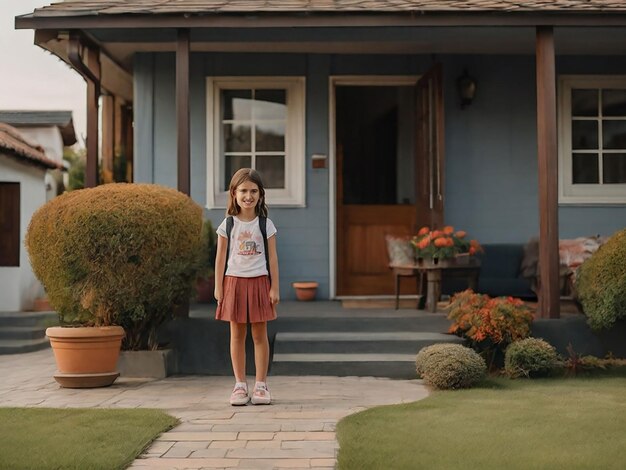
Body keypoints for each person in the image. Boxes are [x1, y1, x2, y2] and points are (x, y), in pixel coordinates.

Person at [214, 168, 280, 406]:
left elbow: (272, 259)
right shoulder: (228, 224)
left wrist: (275, 288)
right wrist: (218, 287)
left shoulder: (266, 225)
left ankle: (261, 385)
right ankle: (240, 385)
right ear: (234, 193)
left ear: (260, 195)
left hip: (260, 283)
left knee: (260, 335)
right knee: (237, 335)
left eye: (253, 191)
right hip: (233, 283)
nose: (248, 196)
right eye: (243, 191)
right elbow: (220, 258)